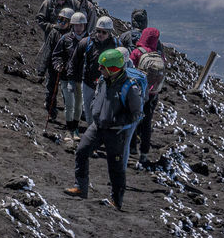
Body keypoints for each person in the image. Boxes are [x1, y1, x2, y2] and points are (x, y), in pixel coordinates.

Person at [64, 48, 144, 211]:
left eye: (102, 67)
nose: (99, 69)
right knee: (81, 151)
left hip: (116, 132)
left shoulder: (130, 87)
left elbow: (137, 114)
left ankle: (116, 201)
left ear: (113, 69)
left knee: (115, 167)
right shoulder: (103, 79)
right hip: (98, 126)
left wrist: (116, 121)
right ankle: (80, 187)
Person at [129, 27, 167, 165]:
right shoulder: (159, 55)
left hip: (138, 92)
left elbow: (129, 69)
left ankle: (132, 147)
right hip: (153, 94)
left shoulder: (137, 52)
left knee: (132, 118)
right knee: (146, 123)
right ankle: (144, 153)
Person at [74, 16, 118, 122]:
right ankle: (91, 131)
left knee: (103, 111)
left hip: (107, 84)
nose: (100, 34)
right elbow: (75, 60)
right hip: (88, 83)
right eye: (98, 31)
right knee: (88, 111)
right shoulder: (86, 43)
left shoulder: (116, 45)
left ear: (110, 32)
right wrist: (73, 78)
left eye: (104, 32)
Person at [55, 11, 89, 140]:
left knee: (79, 105)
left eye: (81, 25)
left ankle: (75, 129)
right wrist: (58, 64)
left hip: (82, 78)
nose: (78, 28)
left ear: (84, 25)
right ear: (72, 26)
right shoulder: (65, 39)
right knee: (69, 104)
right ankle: (69, 129)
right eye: (76, 25)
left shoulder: (89, 40)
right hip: (66, 77)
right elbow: (56, 55)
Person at [39, 7, 74, 122]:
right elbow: (47, 50)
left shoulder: (73, 36)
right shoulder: (54, 32)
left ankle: (70, 115)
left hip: (67, 69)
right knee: (51, 91)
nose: (61, 23)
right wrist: (42, 68)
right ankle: (51, 113)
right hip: (53, 67)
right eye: (59, 20)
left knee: (67, 93)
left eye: (64, 21)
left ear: (70, 23)